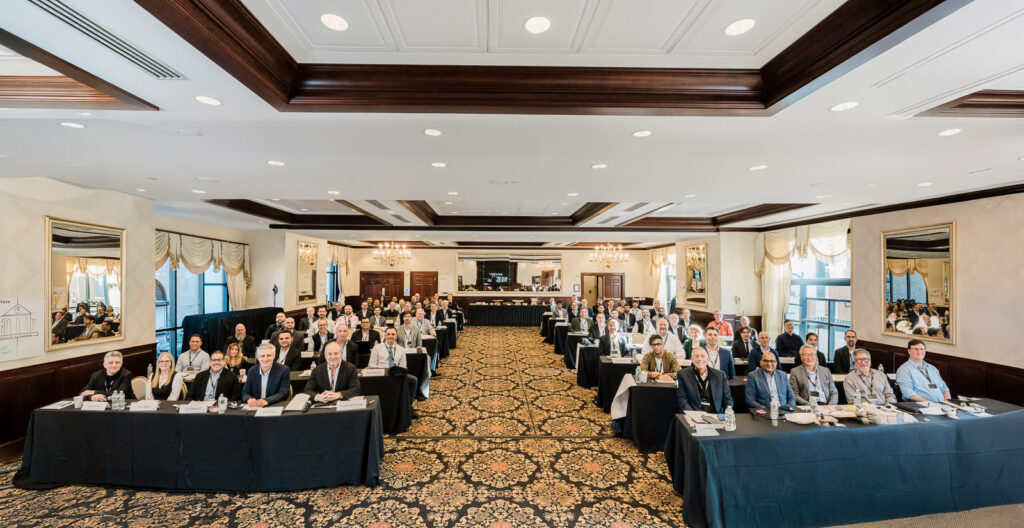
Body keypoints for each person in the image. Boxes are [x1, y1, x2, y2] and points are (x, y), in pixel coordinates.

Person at [368, 327, 420, 408]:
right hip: (381, 375)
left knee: (414, 380)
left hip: (396, 374)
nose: (390, 336)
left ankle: (408, 406)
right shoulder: (377, 348)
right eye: (388, 334)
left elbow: (403, 366)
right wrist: (382, 369)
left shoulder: (401, 350)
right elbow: (371, 364)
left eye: (393, 334)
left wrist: (397, 371)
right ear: (385, 336)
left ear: (396, 336)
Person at [677, 348, 733, 413]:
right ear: (691, 359)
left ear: (708, 359)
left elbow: (728, 399)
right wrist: (693, 415)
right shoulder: (683, 375)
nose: (700, 359)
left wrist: (728, 412)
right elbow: (682, 400)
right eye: (696, 356)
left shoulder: (720, 375)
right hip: (693, 415)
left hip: (715, 415)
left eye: (703, 356)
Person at [242, 343, 291, 407]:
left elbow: (284, 393)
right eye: (262, 356)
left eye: (269, 355)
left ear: (274, 356)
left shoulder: (283, 370)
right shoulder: (252, 370)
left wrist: (267, 400)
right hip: (255, 407)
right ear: (258, 357)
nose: (265, 359)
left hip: (273, 405)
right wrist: (249, 399)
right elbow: (245, 391)